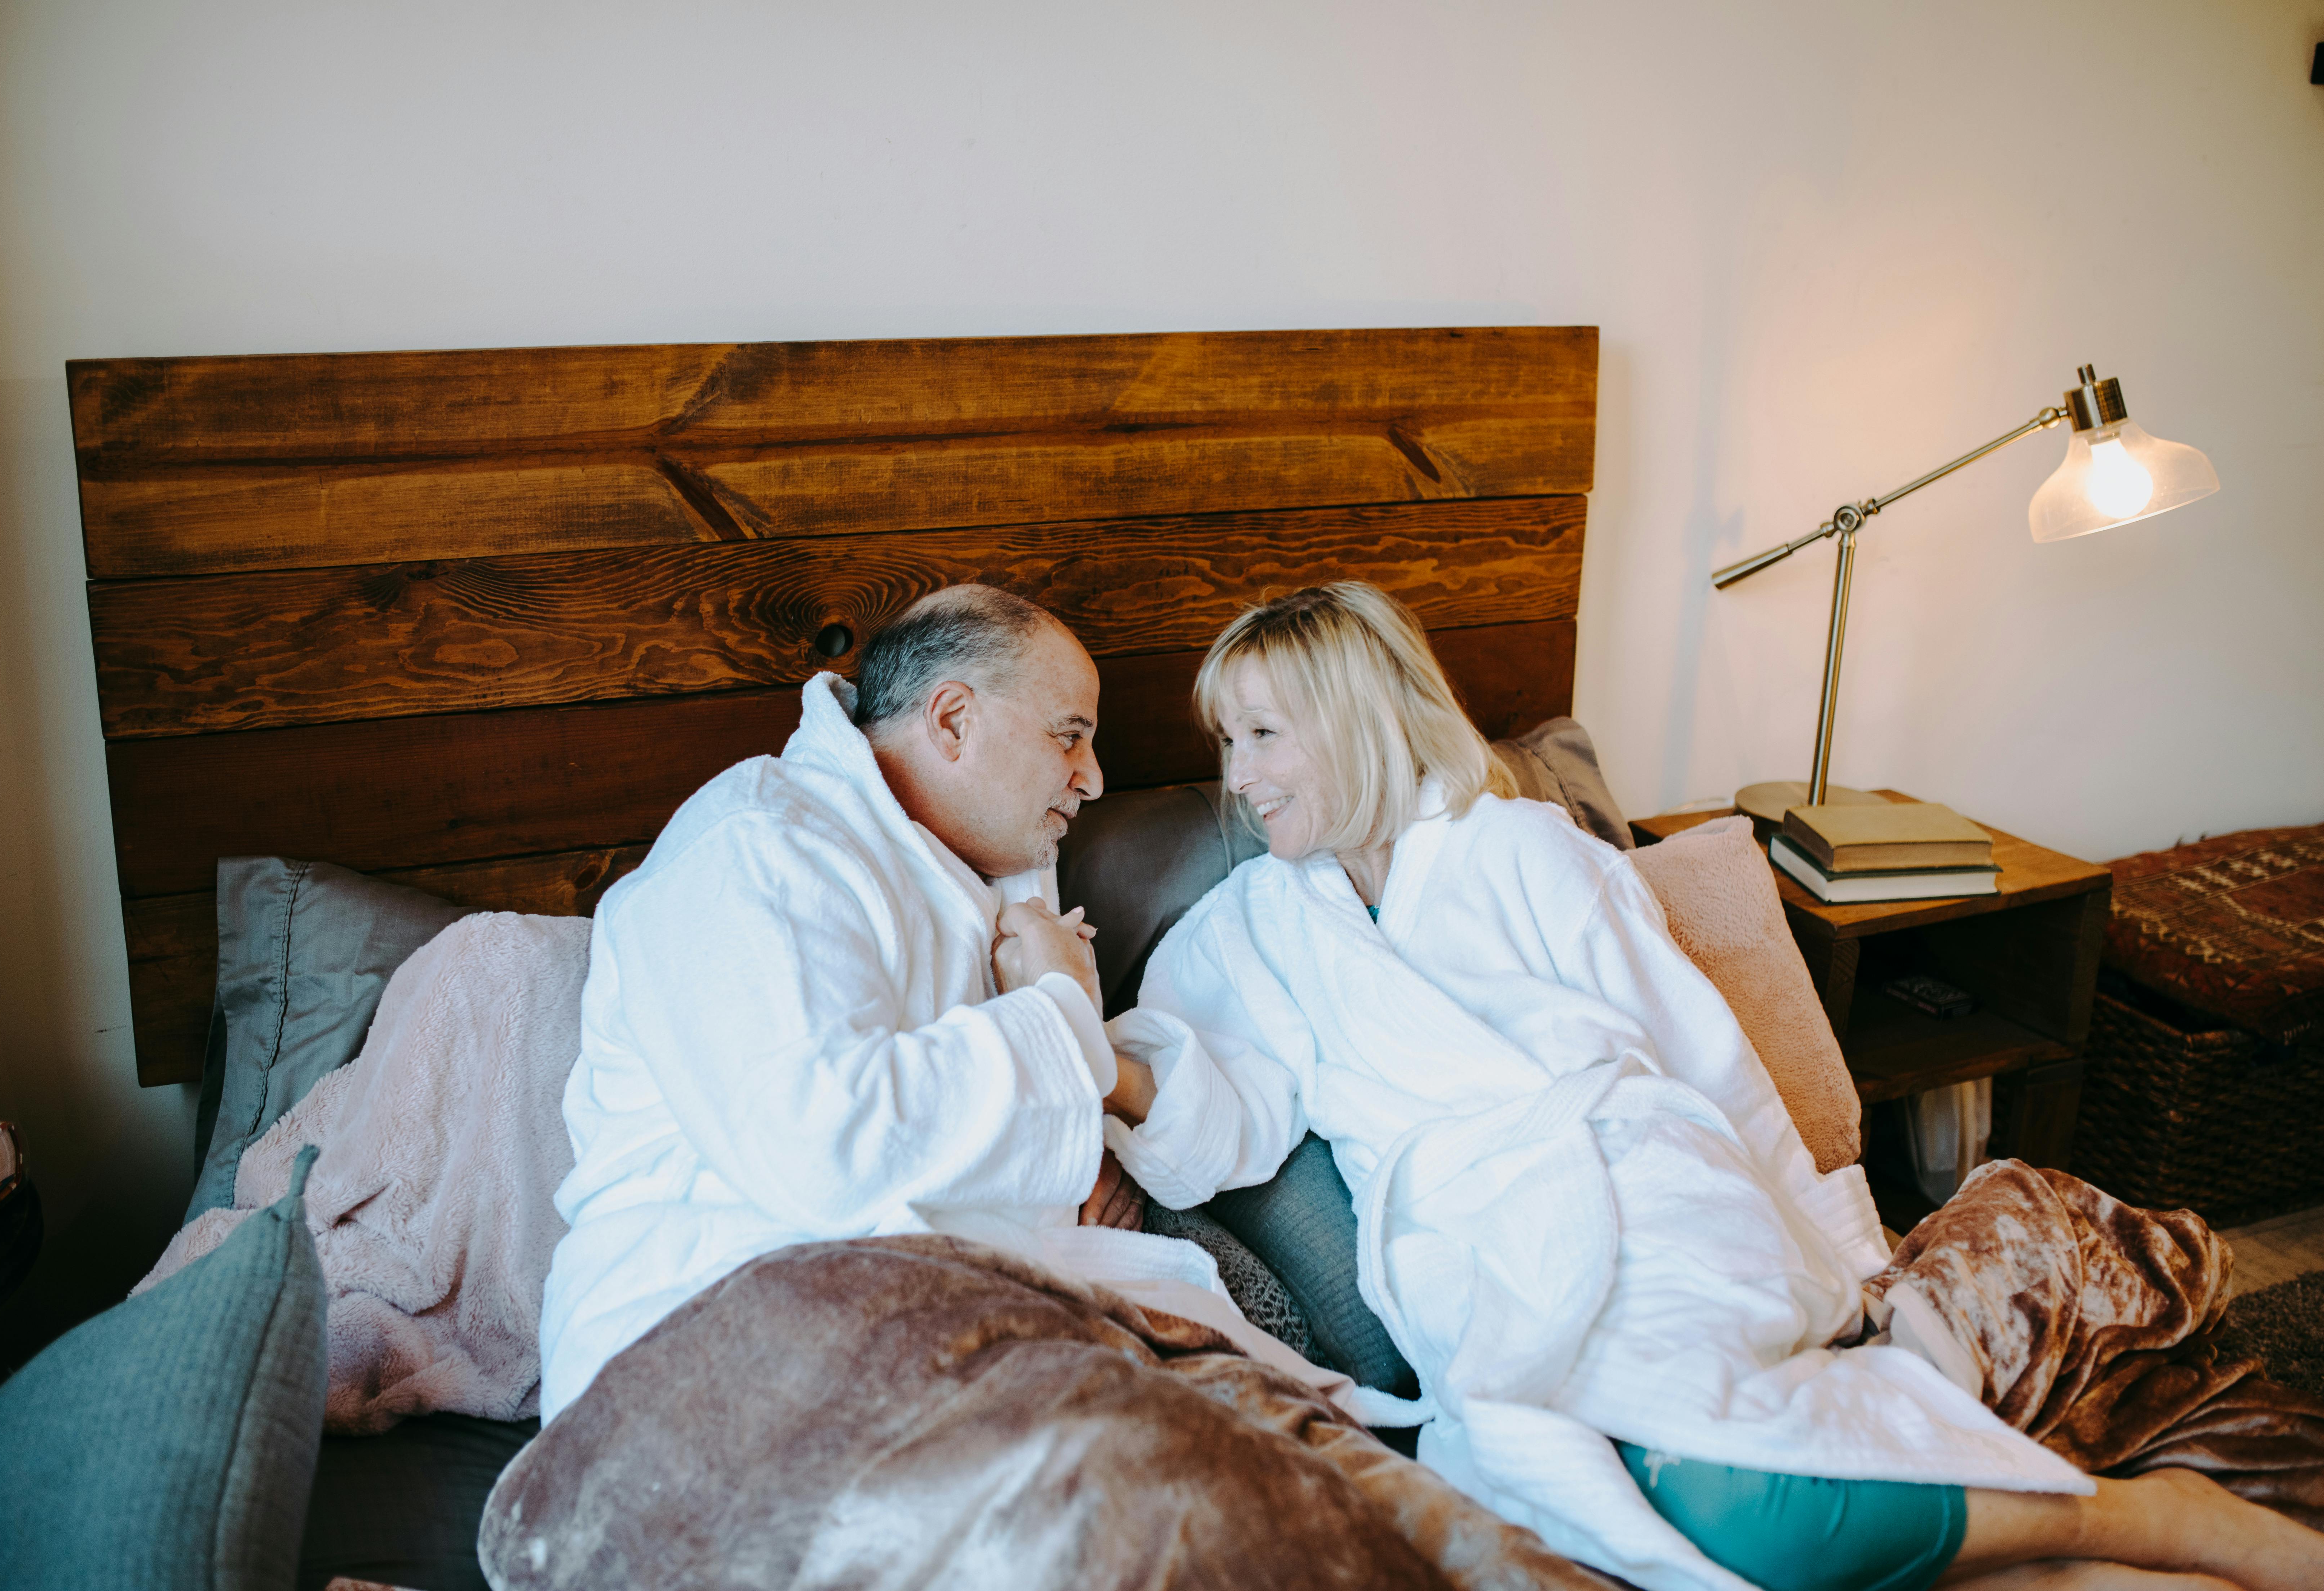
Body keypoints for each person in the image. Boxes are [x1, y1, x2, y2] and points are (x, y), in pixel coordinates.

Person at [1103, 582, 2324, 1591]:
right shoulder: (1245, 931)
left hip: (1647, 1182)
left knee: (1732, 1496)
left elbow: (1699, 1050)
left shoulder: (1526, 848)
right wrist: (1089, 1048)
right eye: (1228, 740)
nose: (1240, 774)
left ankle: (2135, 1520)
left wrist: (1853, 1253)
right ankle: (2074, 1552)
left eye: (1265, 734)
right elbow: (1227, 1122)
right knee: (1612, 1487)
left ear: (1360, 719)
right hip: (1474, 1243)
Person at [538, 584, 1350, 1425]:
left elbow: (1112, 1113)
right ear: (954, 721)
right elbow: (828, 1147)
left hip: (955, 1336)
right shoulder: (758, 845)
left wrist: (1079, 1089)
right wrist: (1057, 1010)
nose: (1095, 779)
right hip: (714, 1353)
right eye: (1070, 736)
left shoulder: (990, 881)